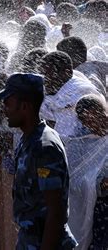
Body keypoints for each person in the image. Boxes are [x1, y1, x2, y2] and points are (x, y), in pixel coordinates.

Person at [0, 73, 77, 249]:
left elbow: (55, 211)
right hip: (30, 239)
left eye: (8, 103)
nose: (4, 109)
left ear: (25, 106)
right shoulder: (28, 139)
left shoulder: (44, 146)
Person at [65, 95, 107, 250]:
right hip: (94, 205)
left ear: (103, 112)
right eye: (86, 120)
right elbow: (73, 175)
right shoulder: (80, 140)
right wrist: (95, 182)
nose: (91, 123)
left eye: (94, 117)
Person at [39, 51, 101, 137]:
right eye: (42, 74)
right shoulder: (45, 91)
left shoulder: (82, 91)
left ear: (66, 72)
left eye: (48, 74)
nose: (44, 79)